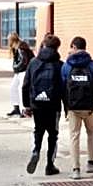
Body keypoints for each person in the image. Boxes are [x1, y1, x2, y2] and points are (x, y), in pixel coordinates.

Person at [62, 36, 93, 180]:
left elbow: (63, 86)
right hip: (89, 107)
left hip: (73, 108)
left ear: (74, 47)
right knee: (91, 133)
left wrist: (67, 103)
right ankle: (91, 163)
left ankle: (76, 169)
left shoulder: (67, 65)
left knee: (74, 136)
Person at [22, 34, 64, 176]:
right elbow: (64, 87)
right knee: (53, 134)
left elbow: (25, 85)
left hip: (37, 103)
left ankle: (36, 150)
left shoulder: (33, 62)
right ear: (57, 47)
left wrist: (27, 105)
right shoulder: (59, 65)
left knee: (38, 130)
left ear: (44, 45)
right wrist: (67, 107)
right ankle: (50, 165)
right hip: (53, 105)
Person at [7, 33, 32, 118]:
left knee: (21, 89)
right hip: (19, 71)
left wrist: (16, 67)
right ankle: (16, 107)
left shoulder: (21, 48)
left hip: (24, 70)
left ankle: (24, 109)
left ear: (12, 40)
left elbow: (24, 61)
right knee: (13, 87)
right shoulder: (16, 48)